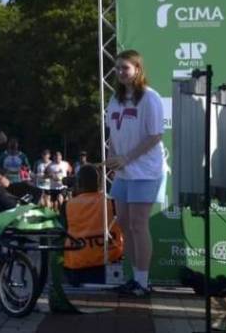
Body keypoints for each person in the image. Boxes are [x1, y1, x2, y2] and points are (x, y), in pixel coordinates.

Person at [104, 49, 165, 297]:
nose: (120, 72)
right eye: (117, 68)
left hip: (146, 171)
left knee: (139, 224)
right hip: (124, 173)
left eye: (125, 68)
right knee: (124, 223)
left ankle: (143, 281)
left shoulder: (150, 98)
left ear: (137, 69)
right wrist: (113, 157)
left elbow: (155, 135)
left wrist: (126, 158)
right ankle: (133, 276)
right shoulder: (115, 99)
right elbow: (113, 132)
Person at [61, 164, 124, 284]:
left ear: (78, 184)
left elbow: (63, 231)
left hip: (77, 267)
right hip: (110, 263)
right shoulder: (112, 201)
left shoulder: (69, 205)